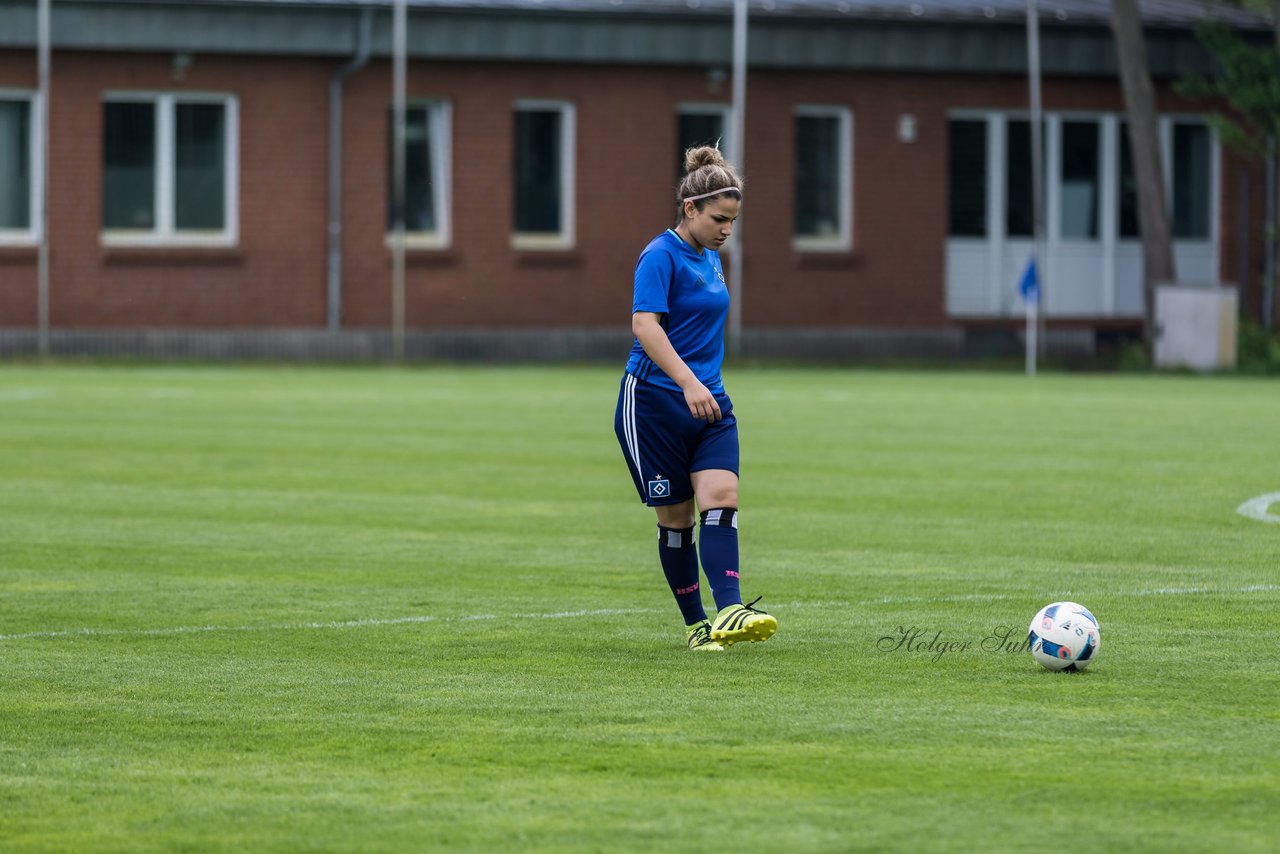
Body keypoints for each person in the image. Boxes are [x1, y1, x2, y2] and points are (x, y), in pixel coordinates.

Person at [613, 145, 778, 653]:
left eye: (733, 221)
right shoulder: (659, 254)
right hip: (656, 406)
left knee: (722, 500)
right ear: (691, 209)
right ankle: (695, 626)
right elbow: (645, 326)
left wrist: (702, 386)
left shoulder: (710, 258)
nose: (727, 230)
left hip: (710, 405)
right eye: (719, 219)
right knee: (677, 519)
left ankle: (730, 608)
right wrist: (688, 382)